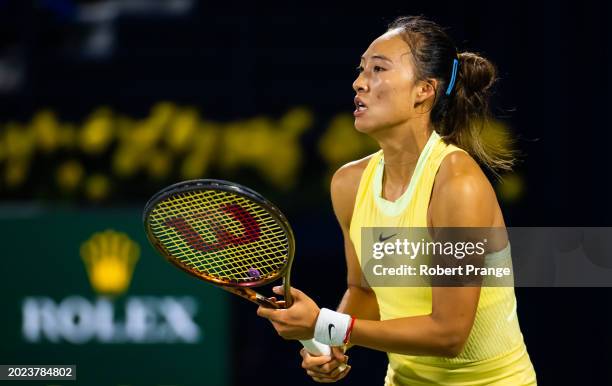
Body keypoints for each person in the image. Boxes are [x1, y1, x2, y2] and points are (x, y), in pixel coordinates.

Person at [257, 16, 537, 385]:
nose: (359, 82)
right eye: (361, 70)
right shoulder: (349, 184)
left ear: (424, 89)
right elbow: (365, 290)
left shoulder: (457, 184)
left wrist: (327, 324)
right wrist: (328, 345)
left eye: (378, 69)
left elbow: (450, 334)